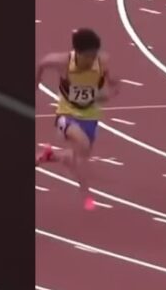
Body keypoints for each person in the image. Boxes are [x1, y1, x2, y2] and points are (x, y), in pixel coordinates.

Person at [35, 28, 120, 211]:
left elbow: (106, 76)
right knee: (82, 147)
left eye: (94, 55)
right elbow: (42, 63)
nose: (92, 60)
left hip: (90, 116)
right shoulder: (63, 62)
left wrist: (111, 84)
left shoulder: (101, 60)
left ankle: (51, 155)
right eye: (88, 57)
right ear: (77, 53)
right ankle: (86, 194)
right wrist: (37, 82)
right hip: (66, 115)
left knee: (79, 156)